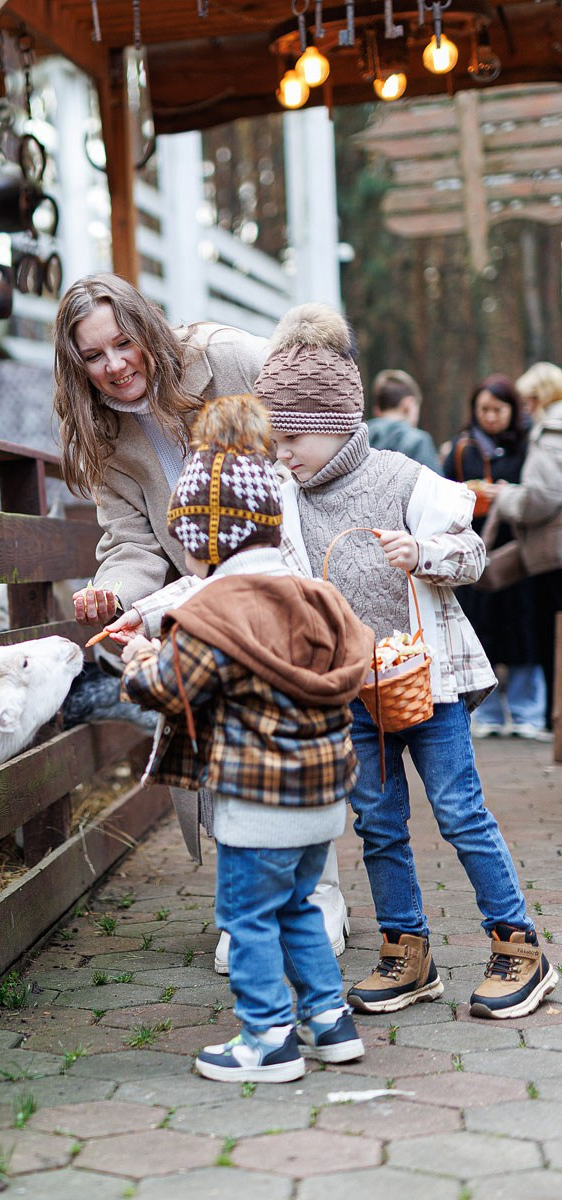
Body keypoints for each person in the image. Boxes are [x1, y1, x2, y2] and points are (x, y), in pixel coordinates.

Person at [253, 302, 558, 1021]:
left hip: (429, 686)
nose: (282, 453)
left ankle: (519, 947)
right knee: (377, 823)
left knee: (459, 811)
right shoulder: (286, 500)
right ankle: (406, 950)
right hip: (354, 693)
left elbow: (472, 553)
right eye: (275, 439)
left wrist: (422, 553)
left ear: (333, 422)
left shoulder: (400, 478)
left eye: (292, 437)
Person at [52, 273, 351, 964]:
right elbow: (130, 544)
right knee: (223, 741)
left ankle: (318, 896)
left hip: (292, 575)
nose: (114, 365)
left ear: (146, 329)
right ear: (75, 366)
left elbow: (318, 406)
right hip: (207, 602)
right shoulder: (102, 433)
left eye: (123, 343)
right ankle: (254, 907)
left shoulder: (227, 357)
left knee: (296, 736)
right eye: (93, 356)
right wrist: (112, 594)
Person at [119, 394, 371, 1081]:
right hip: (321, 798)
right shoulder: (315, 598)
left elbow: (169, 688)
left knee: (247, 916)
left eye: (187, 539)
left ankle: (267, 1038)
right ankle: (329, 1022)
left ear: (207, 538)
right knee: (297, 908)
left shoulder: (216, 611)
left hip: (258, 805)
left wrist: (139, 659)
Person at [443, 375, 548, 741]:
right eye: (483, 409)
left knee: (524, 631)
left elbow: (537, 492)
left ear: (512, 410)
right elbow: (443, 491)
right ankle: (484, 713)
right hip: (475, 549)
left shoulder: (529, 444)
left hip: (517, 550)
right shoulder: (462, 448)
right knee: (480, 630)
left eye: (497, 409)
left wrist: (509, 494)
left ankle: (526, 713)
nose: (489, 416)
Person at [491, 360, 562, 736]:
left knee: (553, 638)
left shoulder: (550, 432)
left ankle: (554, 719)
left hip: (553, 554)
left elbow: (542, 497)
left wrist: (505, 499)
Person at [367, 369, 440, 471]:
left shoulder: (358, 436)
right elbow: (433, 480)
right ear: (408, 404)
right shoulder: (418, 441)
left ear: (377, 409)